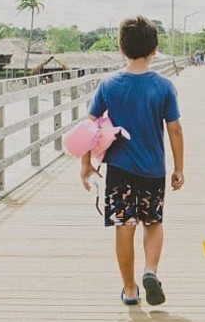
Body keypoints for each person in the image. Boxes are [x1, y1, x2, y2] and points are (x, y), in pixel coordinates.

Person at [79, 16, 185, 307]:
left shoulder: (109, 84)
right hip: (152, 169)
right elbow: (175, 129)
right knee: (152, 222)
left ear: (122, 49)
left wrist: (85, 164)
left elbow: (88, 126)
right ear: (155, 49)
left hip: (119, 170)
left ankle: (130, 289)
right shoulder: (163, 86)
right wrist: (179, 168)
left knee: (124, 226)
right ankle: (150, 270)